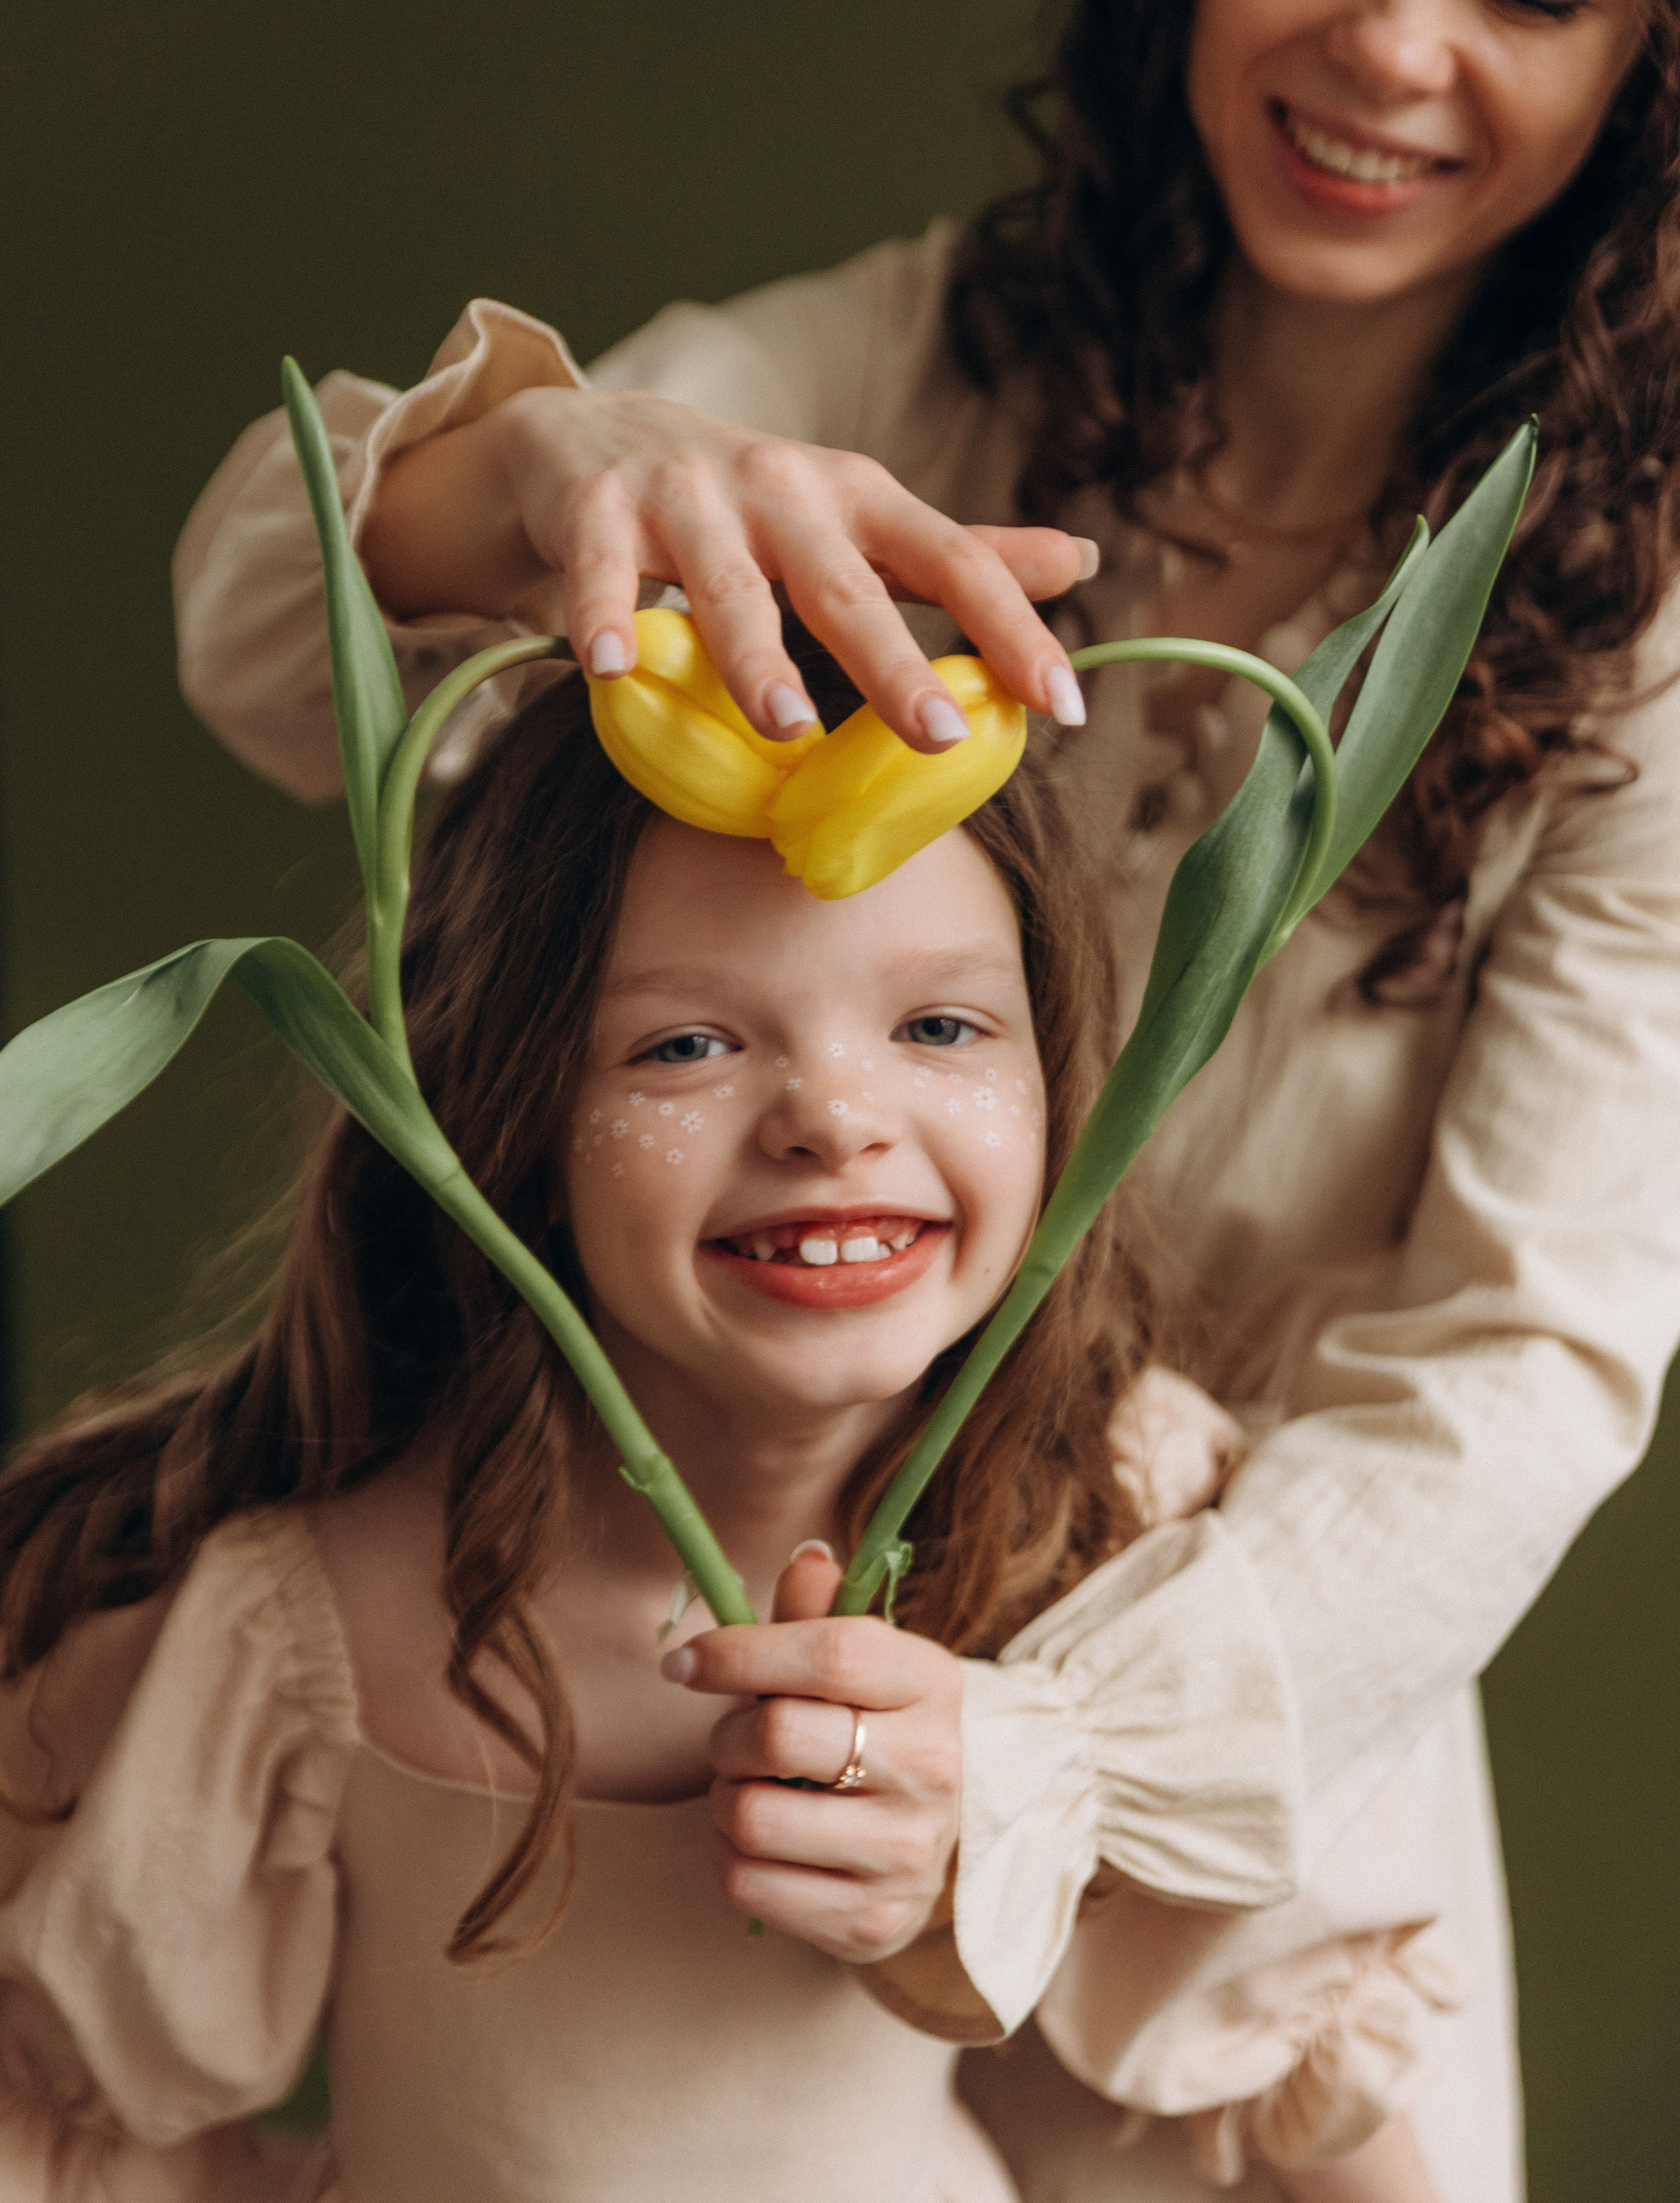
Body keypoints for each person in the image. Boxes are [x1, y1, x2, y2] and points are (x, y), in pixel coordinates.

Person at [163, 0, 1680, 2196]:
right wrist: (562, 471)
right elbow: (276, 636)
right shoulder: (934, 363)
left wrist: (1059, 1758)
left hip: (1238, 1755)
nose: (1391, 42)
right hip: (673, 1637)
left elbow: (1527, 1349)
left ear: (1648, 48)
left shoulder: (1647, 640)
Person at [1, 662, 1451, 2200]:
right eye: (683, 1046)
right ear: (512, 1117)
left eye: (941, 1023)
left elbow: (1293, 2058)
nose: (833, 1114)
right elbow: (86, 2117)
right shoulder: (309, 1613)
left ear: (1058, 1077)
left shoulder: (1119, 1519)